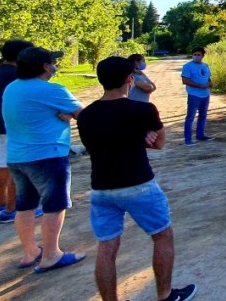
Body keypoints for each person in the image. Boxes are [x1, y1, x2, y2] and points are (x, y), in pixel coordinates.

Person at [78, 57, 198, 301]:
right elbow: (160, 142)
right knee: (162, 236)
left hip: (101, 188)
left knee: (107, 246)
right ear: (129, 80)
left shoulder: (86, 115)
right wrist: (138, 138)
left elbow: (96, 145)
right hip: (138, 183)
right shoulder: (142, 110)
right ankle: (165, 295)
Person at [3, 47, 86, 272]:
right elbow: (84, 115)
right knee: (55, 205)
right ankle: (51, 255)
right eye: (52, 62)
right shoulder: (51, 90)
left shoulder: (12, 88)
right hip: (47, 156)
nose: (54, 66)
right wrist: (69, 116)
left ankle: (30, 253)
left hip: (17, 156)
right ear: (46, 67)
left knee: (25, 205)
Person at [0, 39, 35, 224]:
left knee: (3, 164)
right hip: (15, 127)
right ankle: (12, 208)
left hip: (3, 124)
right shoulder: (15, 75)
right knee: (18, 168)